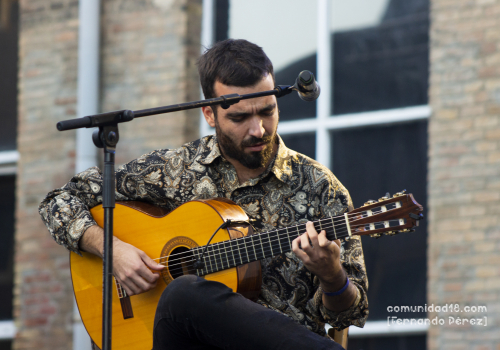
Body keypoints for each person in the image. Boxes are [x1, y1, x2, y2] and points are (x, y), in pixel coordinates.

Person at [39, 39, 368, 349]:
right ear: (209, 114)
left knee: (184, 292)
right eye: (240, 117)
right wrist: (112, 250)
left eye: (267, 111)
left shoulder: (321, 188)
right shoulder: (174, 169)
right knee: (182, 294)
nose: (258, 130)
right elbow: (59, 200)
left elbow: (351, 314)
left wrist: (332, 275)